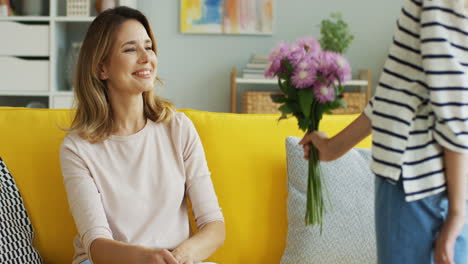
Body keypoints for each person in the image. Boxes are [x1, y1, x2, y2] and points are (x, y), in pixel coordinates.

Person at [300, 0, 467, 263]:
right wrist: (334, 147)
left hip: (420, 180)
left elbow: (432, 97)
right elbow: (414, 92)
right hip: (423, 179)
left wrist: (457, 211)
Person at [59, 6, 225, 264]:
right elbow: (96, 244)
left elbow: (214, 227)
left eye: (148, 47)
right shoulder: (77, 148)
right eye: (130, 49)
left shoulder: (178, 129)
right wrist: (146, 258)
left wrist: (177, 258)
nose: (146, 58)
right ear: (101, 68)